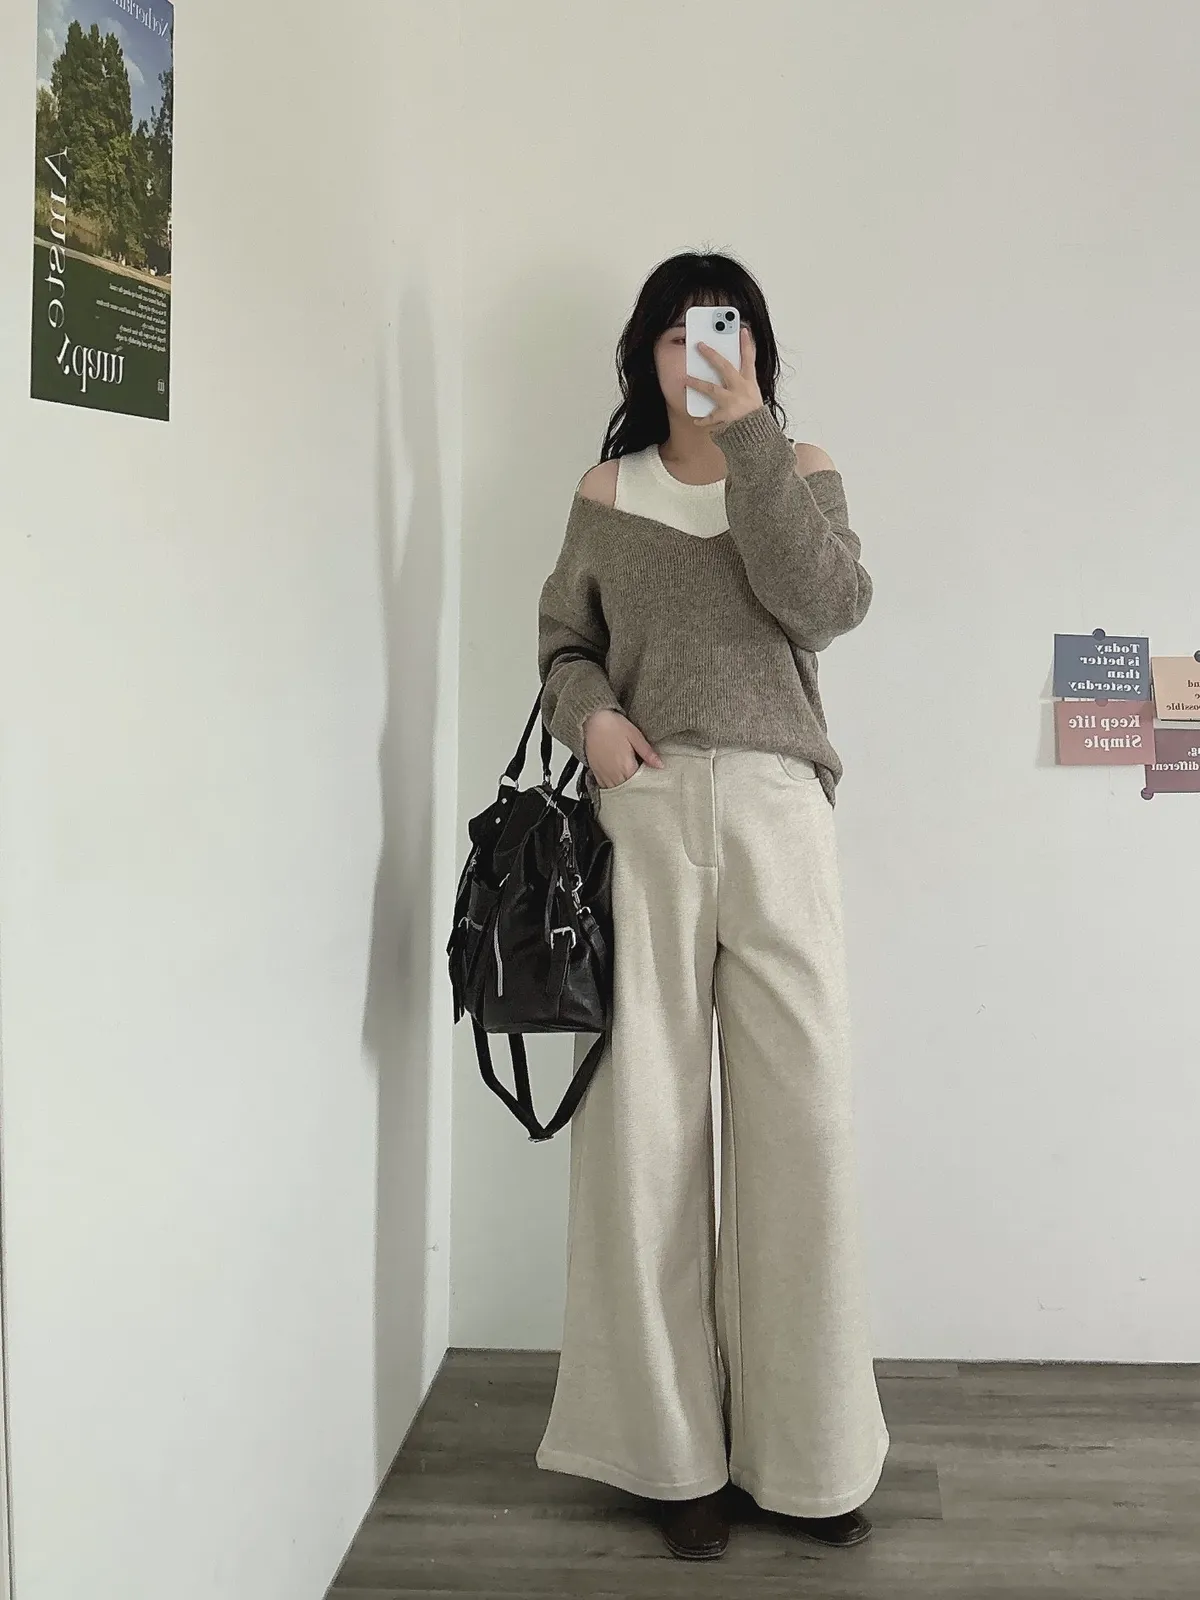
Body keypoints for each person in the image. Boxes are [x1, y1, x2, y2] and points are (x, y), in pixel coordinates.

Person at [534, 250, 890, 1562]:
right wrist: (593, 722)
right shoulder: (607, 489)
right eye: (680, 336)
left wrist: (751, 441)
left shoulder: (795, 469)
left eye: (722, 334)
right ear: (647, 351)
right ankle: (668, 1453)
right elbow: (562, 645)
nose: (701, 356)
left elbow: (828, 606)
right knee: (644, 1136)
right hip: (645, 807)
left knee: (804, 1128)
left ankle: (812, 1456)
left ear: (754, 348)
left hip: (780, 809)